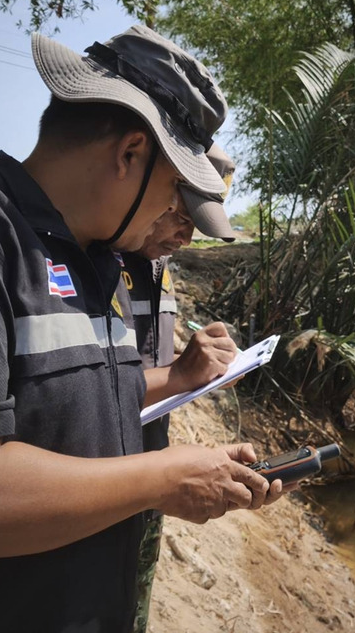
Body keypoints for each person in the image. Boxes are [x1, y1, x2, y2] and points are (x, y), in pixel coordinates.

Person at [0, 26, 285, 633]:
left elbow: (80, 406)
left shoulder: (100, 264)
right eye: (175, 189)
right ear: (130, 153)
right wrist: (164, 478)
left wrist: (189, 430)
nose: (173, 214)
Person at [118, 143, 238, 632]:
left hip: (151, 472)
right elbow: (86, 389)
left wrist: (198, 367)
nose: (185, 238)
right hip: (99, 479)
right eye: (181, 217)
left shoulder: (158, 265)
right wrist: (178, 375)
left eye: (195, 226)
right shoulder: (94, 263)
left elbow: (146, 365)